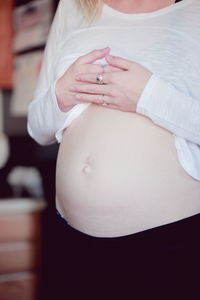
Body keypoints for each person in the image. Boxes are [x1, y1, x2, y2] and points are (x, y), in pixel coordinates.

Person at [27, 0, 200, 299]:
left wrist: (149, 97)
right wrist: (61, 95)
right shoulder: (74, 6)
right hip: (70, 243)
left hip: (173, 244)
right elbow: (37, 128)